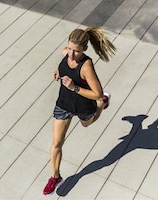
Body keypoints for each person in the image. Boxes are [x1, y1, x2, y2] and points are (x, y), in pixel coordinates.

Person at [43, 27, 116, 195]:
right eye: (69, 48)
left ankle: (103, 104)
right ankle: (55, 177)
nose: (71, 54)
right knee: (56, 143)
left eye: (76, 51)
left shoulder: (86, 66)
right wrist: (57, 71)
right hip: (64, 104)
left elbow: (96, 92)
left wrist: (75, 87)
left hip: (84, 105)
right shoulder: (66, 53)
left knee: (87, 124)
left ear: (85, 49)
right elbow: (63, 66)